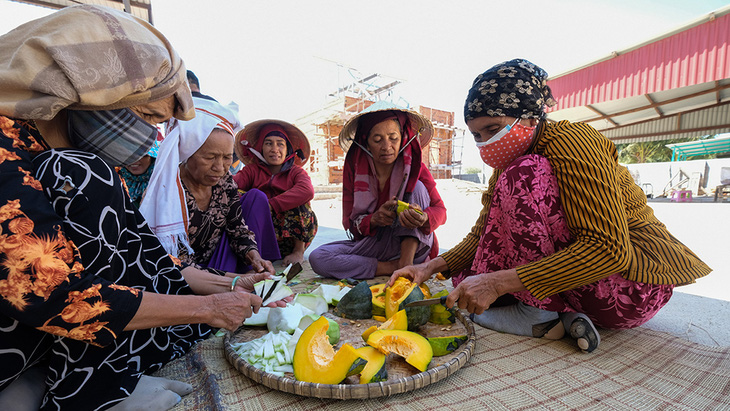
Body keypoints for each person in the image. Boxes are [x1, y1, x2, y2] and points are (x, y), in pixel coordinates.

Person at [0, 6, 280, 410]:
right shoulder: (33, 157)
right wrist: (208, 308)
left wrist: (226, 284)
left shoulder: (46, 144)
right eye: (146, 113)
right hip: (36, 316)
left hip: (40, 329)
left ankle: (58, 376)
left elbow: (136, 248)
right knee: (84, 173)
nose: (149, 135)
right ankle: (84, 392)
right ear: (81, 92)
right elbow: (49, 295)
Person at [391, 59, 712, 353]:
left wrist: (497, 282)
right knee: (466, 281)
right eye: (476, 134)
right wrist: (428, 268)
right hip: (584, 286)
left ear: (530, 116)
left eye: (492, 129)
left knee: (484, 277)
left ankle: (536, 315)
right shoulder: (510, 160)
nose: (484, 143)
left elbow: (609, 251)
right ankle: (564, 319)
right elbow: (482, 234)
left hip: (633, 286)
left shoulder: (573, 144)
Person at [141, 97, 280, 274]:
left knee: (255, 198)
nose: (220, 167)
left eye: (227, 158)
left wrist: (255, 257)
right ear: (188, 153)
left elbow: (237, 228)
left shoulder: (224, 182)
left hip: (219, 261)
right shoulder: (167, 191)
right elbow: (176, 262)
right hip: (185, 273)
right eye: (209, 157)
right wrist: (231, 280)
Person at [309, 102, 447, 279]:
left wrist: (424, 217)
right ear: (366, 141)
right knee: (318, 258)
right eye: (377, 139)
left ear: (403, 137)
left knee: (417, 187)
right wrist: (373, 219)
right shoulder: (356, 169)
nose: (386, 146)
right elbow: (351, 225)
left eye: (393, 138)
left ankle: (405, 263)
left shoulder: (415, 166)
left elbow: (441, 211)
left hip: (414, 247)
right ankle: (393, 267)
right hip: (376, 243)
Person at [233, 120, 318, 265]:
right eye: (268, 143)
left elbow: (307, 191)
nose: (274, 149)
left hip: (290, 237)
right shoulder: (252, 170)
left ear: (288, 149)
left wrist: (270, 205)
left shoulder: (295, 172)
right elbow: (232, 186)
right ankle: (253, 253)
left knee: (300, 201)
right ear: (261, 147)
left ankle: (298, 251)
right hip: (260, 235)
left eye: (280, 144)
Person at [117, 137, 160, 208]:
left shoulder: (163, 182)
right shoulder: (117, 180)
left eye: (141, 155)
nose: (133, 161)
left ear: (152, 158)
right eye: (128, 156)